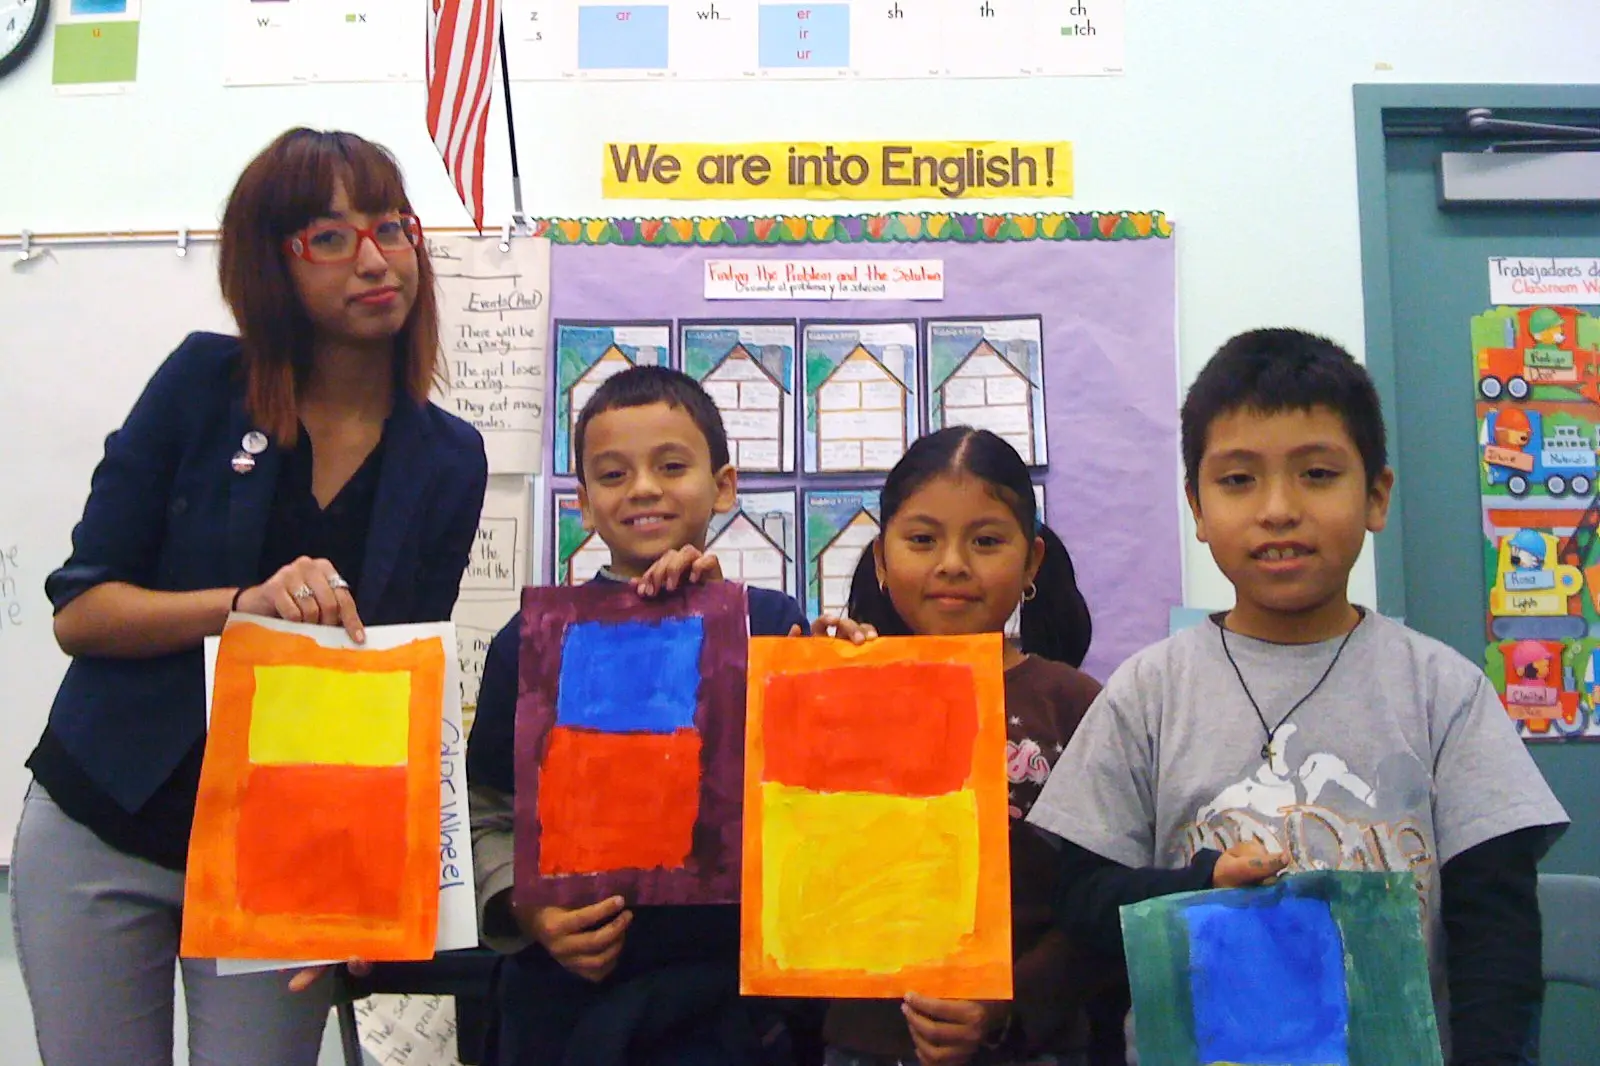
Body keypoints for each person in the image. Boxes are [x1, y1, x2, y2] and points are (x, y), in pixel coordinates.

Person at [11, 128, 489, 1066]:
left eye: (392, 228)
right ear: (272, 262)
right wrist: (239, 606)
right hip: (106, 817)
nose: (375, 259)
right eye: (330, 236)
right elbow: (82, 611)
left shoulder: (447, 457)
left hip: (286, 851)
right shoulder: (202, 385)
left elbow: (398, 686)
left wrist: (377, 892)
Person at [1026, 328, 1571, 1065]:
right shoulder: (1148, 692)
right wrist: (1200, 881)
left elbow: (1496, 931)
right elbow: (1083, 900)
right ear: (1196, 505)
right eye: (1238, 480)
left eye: (1317, 474)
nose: (1278, 509)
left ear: (1377, 495)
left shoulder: (1442, 690)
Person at [467, 365, 811, 1066]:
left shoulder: (770, 624)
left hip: (733, 1001)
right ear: (585, 505)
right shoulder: (531, 644)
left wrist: (765, 651)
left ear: (723, 485)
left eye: (672, 465)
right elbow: (484, 809)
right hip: (570, 1001)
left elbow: (808, 799)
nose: (644, 489)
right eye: (613, 474)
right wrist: (532, 914)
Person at [815, 426, 1109, 1066]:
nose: (952, 563)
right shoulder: (838, 690)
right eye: (922, 539)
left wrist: (1004, 1005)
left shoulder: (1076, 704)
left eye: (986, 541)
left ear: (1030, 563)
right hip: (865, 1043)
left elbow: (1100, 902)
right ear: (883, 561)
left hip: (1031, 1044)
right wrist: (810, 697)